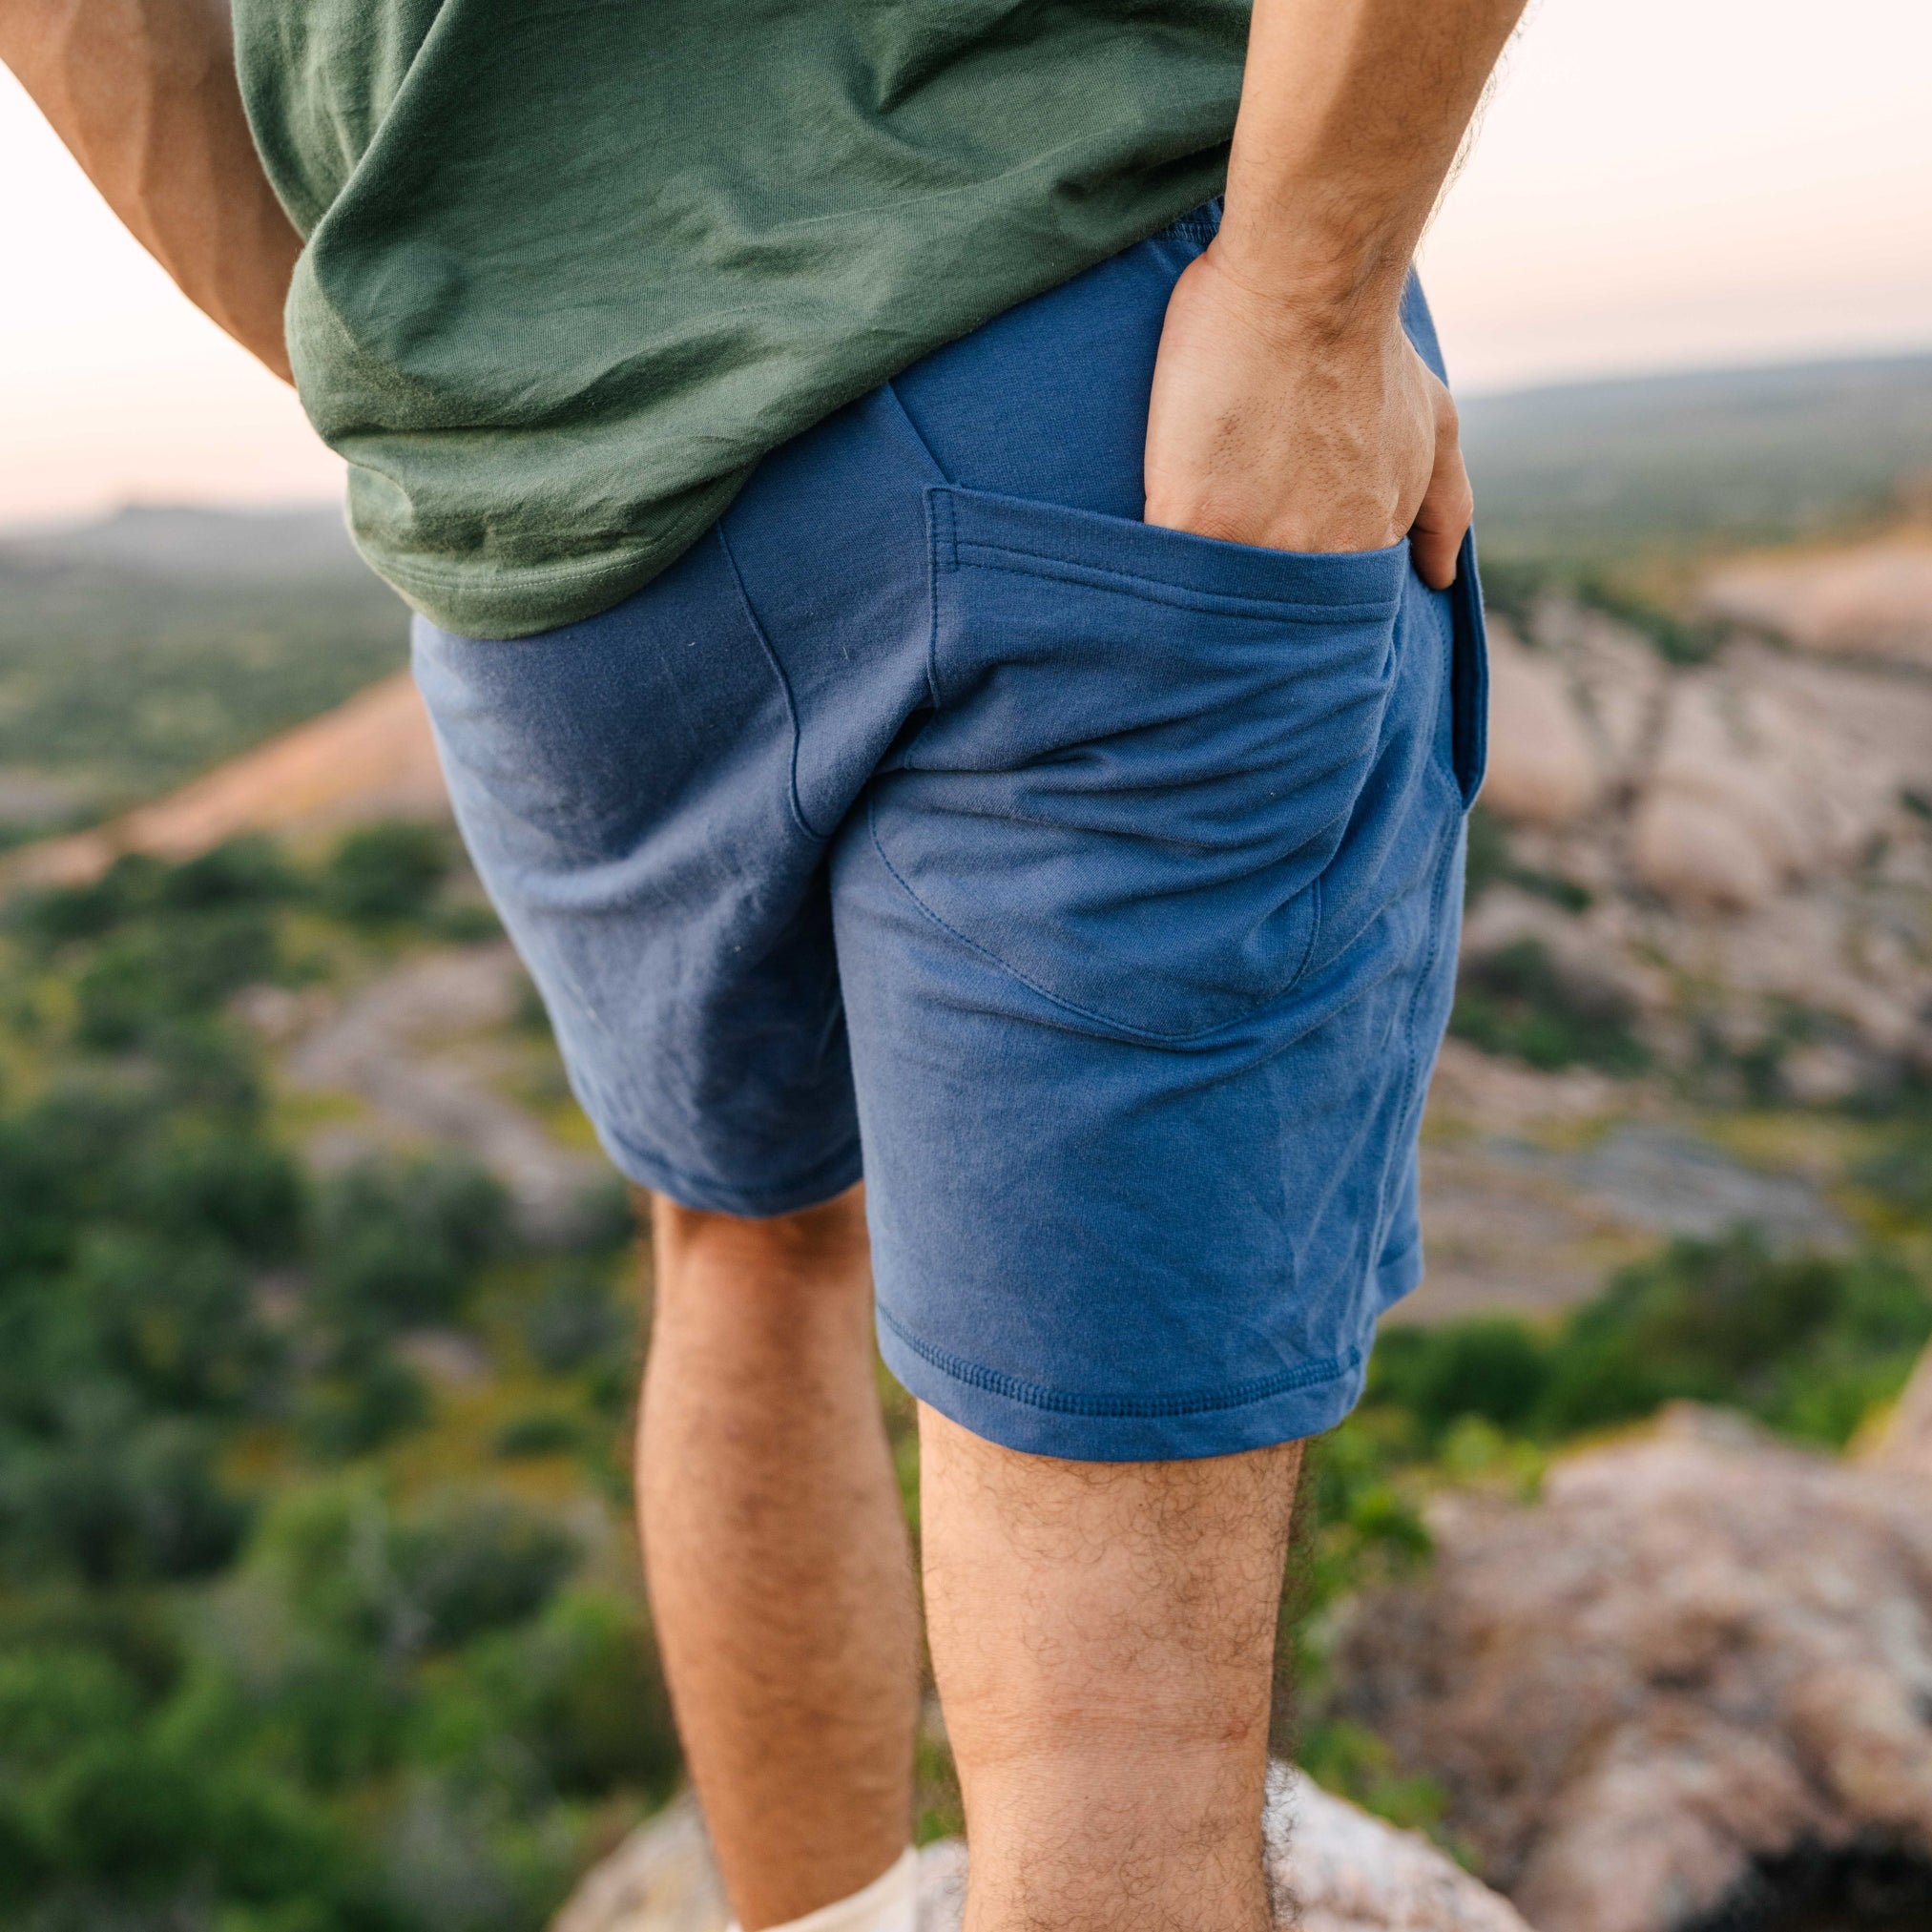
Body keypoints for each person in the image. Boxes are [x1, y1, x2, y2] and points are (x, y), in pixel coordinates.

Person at [3, 3, 1522, 1929]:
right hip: (1062, 353)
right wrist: (1308, 297)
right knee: (1106, 1756)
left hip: (551, 494)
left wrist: (432, 357)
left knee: (740, 1235)